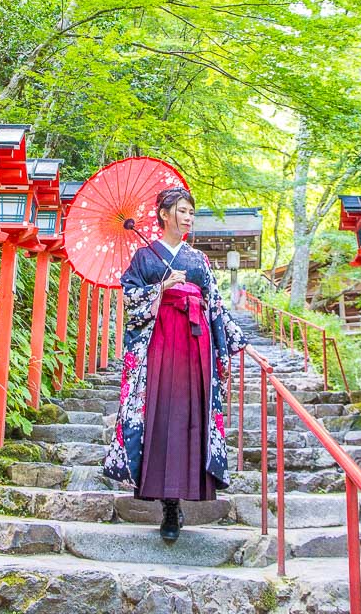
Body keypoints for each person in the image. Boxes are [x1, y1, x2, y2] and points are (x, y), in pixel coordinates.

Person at [102, 187, 248, 541]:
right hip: (159, 345)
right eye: (181, 211)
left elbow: (214, 304)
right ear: (164, 214)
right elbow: (131, 297)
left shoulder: (198, 260)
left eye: (191, 213)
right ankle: (167, 504)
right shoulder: (143, 257)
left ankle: (183, 494)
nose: (187, 218)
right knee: (161, 416)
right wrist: (161, 288)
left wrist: (230, 343)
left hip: (194, 346)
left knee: (190, 417)